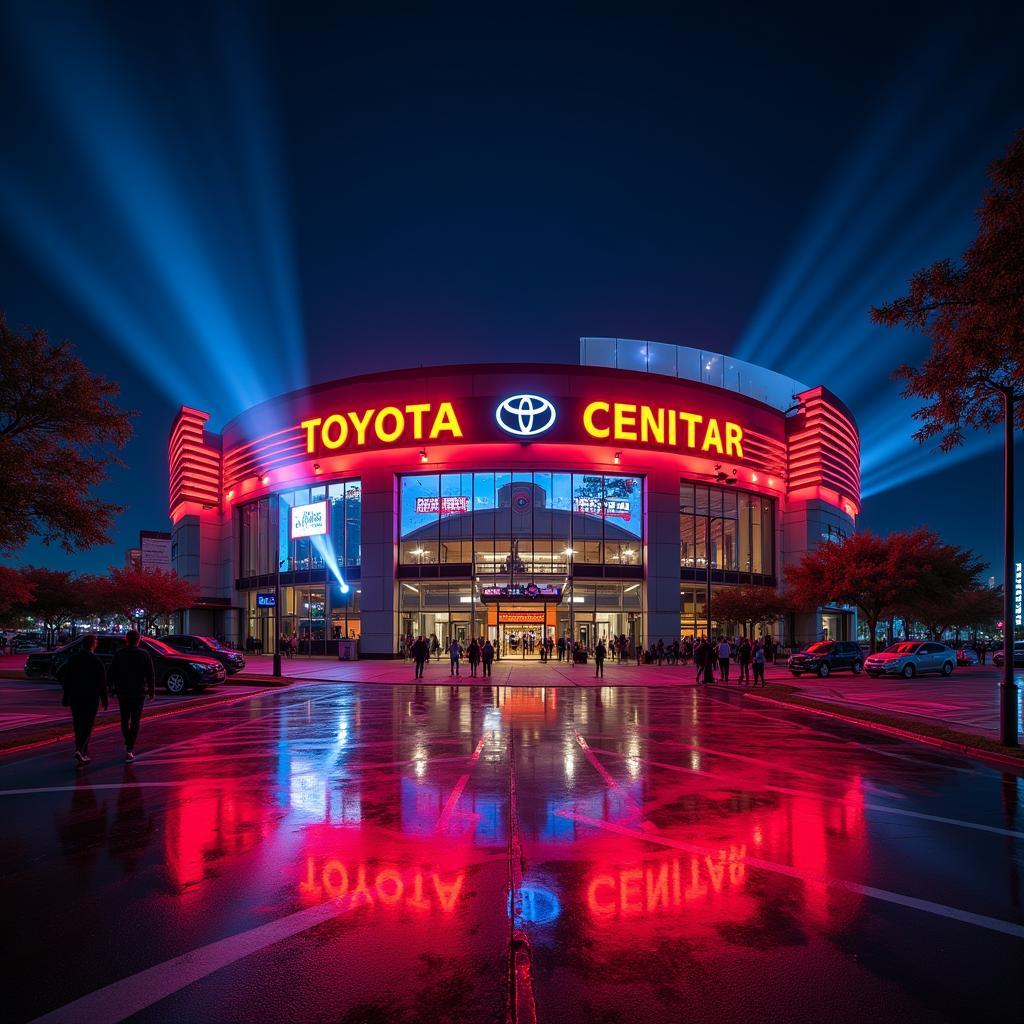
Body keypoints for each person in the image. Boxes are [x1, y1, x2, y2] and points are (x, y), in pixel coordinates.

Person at [57, 634, 108, 765]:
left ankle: (82, 751)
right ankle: (80, 750)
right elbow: (102, 682)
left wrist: (66, 696)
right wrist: (104, 699)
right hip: (91, 696)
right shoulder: (96, 661)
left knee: (78, 724)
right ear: (93, 644)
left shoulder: (73, 659)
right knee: (88, 725)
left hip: (76, 695)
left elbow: (67, 679)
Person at [107, 630, 155, 762]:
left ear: (126, 639)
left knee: (124, 719)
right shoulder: (144, 654)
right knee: (135, 720)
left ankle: (127, 742)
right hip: (138, 692)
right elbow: (150, 674)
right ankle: (129, 746)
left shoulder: (120, 654)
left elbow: (112, 672)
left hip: (123, 691)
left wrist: (111, 688)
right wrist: (151, 691)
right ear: (138, 640)